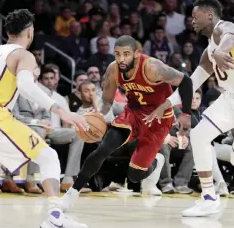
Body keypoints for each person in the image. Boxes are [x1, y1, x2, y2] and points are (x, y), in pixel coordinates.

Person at [144, 0, 234, 217]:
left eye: (195, 16)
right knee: (199, 135)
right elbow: (192, 83)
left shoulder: (226, 29)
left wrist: (222, 51)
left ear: (209, 15)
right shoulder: (209, 51)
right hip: (233, 98)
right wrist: (167, 103)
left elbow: (232, 35)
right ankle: (209, 197)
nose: (192, 20)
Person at [0, 9, 89, 228]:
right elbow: (25, 86)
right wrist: (63, 112)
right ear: (30, 32)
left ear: (8, 31)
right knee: (48, 157)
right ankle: (55, 217)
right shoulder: (23, 54)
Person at [61, 35, 193, 210]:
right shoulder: (113, 69)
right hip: (133, 112)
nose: (121, 59)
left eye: (126, 54)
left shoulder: (153, 67)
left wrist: (186, 114)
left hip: (159, 119)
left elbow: (186, 81)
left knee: (135, 175)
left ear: (137, 54)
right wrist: (99, 115)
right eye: (117, 54)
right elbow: (107, 101)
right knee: (103, 150)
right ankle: (72, 193)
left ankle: (156, 162)